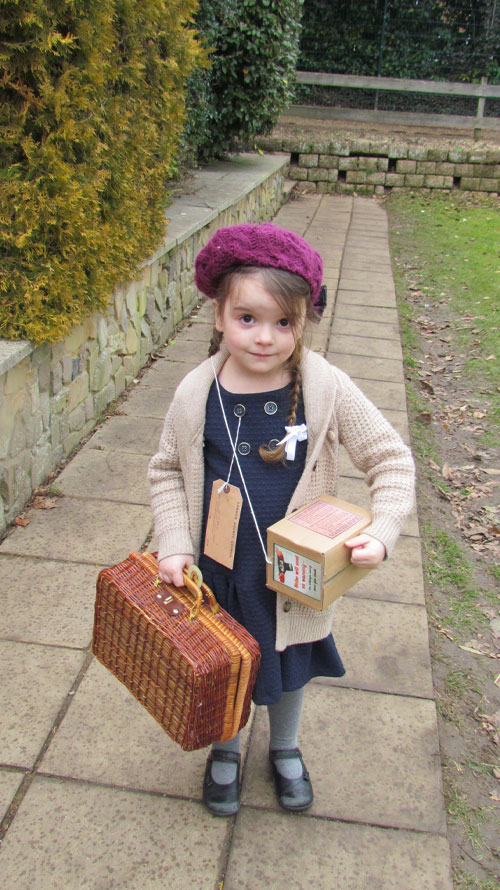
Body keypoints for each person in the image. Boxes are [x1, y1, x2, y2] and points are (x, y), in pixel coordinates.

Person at [148, 223, 415, 817]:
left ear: (303, 323)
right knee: (225, 665)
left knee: (289, 666)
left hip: (293, 581)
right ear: (218, 314)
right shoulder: (197, 392)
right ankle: (226, 748)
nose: (266, 338)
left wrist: (382, 528)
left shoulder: (323, 386)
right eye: (248, 319)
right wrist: (172, 543)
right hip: (220, 574)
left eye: (284, 323)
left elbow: (391, 459)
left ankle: (286, 747)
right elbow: (166, 469)